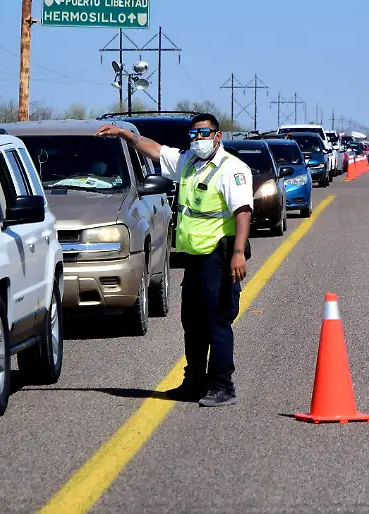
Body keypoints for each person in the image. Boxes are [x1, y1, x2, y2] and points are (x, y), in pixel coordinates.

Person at [96, 113, 253, 407]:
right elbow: (156, 149)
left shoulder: (232, 169)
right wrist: (126, 135)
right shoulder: (189, 163)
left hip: (219, 257)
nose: (198, 140)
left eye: (204, 134)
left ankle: (223, 385)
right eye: (193, 135)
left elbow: (243, 211)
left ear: (218, 136)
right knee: (192, 322)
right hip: (194, 258)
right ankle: (194, 381)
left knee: (217, 322)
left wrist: (238, 253)